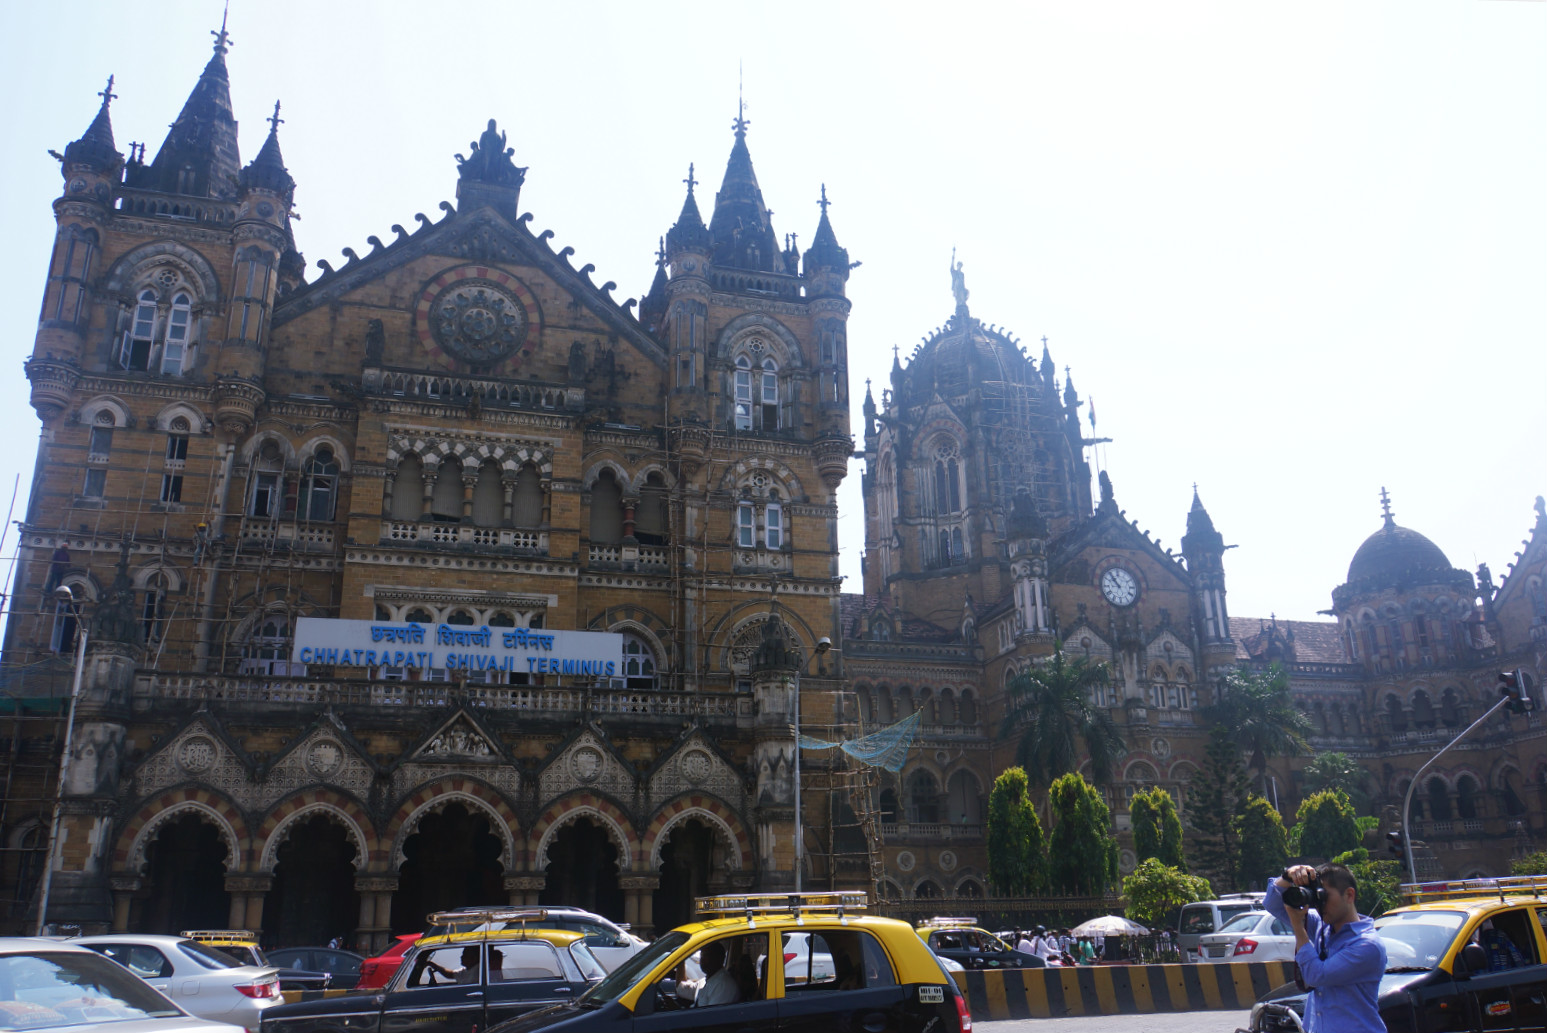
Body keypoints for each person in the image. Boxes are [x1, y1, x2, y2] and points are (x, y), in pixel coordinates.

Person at [1264, 863, 1386, 1033]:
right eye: (1316, 897)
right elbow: (1272, 903)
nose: (1320, 905)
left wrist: (1298, 927)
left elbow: (1316, 975)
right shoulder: (1323, 927)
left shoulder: (1367, 945)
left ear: (1349, 895)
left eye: (1324, 896)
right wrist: (1287, 876)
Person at [694, 941, 742, 1007]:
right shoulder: (712, 980)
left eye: (706, 955)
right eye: (702, 955)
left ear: (718, 958)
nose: (702, 959)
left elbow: (712, 1015)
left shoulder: (723, 985)